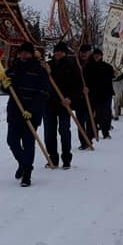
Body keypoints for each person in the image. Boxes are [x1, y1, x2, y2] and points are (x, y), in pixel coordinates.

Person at [5, 41, 50, 187]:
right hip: (14, 111)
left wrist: (32, 110)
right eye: (21, 52)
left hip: (32, 113)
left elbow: (44, 92)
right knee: (12, 141)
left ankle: (27, 173)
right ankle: (23, 163)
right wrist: (4, 85)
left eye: (27, 52)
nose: (24, 55)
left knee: (28, 143)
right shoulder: (13, 67)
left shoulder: (38, 69)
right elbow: (6, 87)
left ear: (31, 54)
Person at [43, 41, 80, 169]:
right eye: (56, 51)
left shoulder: (71, 65)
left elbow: (77, 85)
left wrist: (70, 98)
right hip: (49, 104)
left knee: (64, 131)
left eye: (61, 51)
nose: (58, 53)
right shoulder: (48, 66)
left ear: (65, 52)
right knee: (49, 133)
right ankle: (53, 158)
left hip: (64, 104)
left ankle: (66, 158)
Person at [86, 48, 115, 139]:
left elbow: (110, 79)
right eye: (95, 54)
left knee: (104, 114)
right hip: (92, 95)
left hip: (104, 95)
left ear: (101, 56)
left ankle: (105, 132)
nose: (96, 56)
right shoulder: (88, 67)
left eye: (98, 55)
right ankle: (93, 133)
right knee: (92, 115)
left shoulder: (107, 67)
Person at [73, 44, 95, 150]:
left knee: (89, 119)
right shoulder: (75, 64)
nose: (83, 54)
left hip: (90, 98)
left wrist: (89, 89)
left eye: (85, 52)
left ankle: (89, 139)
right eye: (81, 52)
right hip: (78, 98)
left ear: (89, 53)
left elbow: (98, 81)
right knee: (80, 121)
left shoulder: (93, 64)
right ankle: (83, 141)